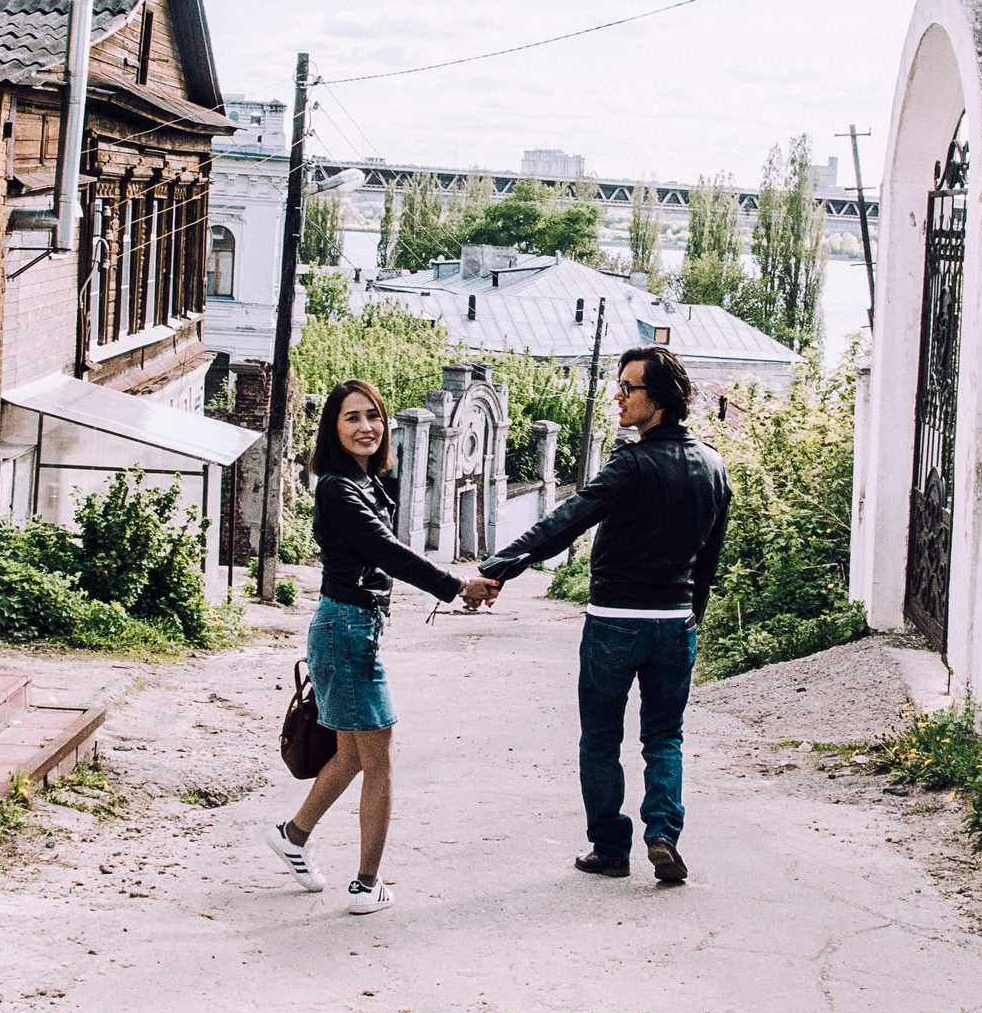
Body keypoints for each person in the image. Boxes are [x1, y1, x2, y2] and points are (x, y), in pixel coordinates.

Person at [479, 345, 729, 886]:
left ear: (659, 398)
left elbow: (566, 520)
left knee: (599, 740)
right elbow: (708, 560)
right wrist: (691, 618)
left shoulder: (630, 464)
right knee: (664, 738)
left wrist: (499, 567)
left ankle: (611, 850)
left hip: (615, 620)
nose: (617, 396)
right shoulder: (713, 466)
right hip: (675, 624)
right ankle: (662, 832)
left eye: (628, 387)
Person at [264, 379, 494, 914]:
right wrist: (457, 586)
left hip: (350, 627)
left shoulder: (364, 482)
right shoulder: (338, 489)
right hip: (347, 631)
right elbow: (386, 551)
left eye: (374, 416)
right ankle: (368, 885)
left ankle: (293, 836)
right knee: (381, 758)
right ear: (333, 428)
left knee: (352, 754)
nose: (366, 426)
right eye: (352, 418)